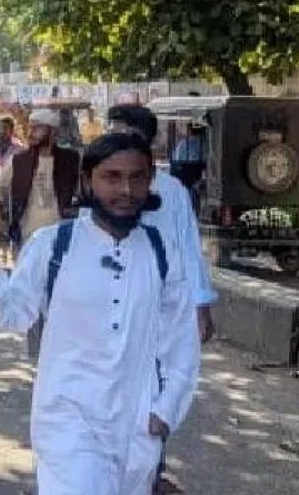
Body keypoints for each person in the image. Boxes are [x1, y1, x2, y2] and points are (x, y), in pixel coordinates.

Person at [0, 133, 201, 494]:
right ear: (87, 181)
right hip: (67, 419)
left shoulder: (161, 250)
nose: (126, 189)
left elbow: (181, 338)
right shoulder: (53, 245)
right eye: (112, 177)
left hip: (137, 423)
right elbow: (10, 316)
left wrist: (167, 408)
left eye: (137, 177)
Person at [107, 104, 218, 494]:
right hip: (113, 305)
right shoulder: (101, 185)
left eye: (123, 132)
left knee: (156, 389)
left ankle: (150, 471)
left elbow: (188, 247)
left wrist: (200, 304)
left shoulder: (170, 191)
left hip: (161, 307)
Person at [0, 108, 81, 359]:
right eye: (30, 127)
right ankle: (38, 356)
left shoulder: (71, 161)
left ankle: (59, 352)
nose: (32, 132)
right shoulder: (19, 161)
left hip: (64, 243)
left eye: (38, 127)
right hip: (28, 242)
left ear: (52, 131)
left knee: (61, 299)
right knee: (30, 300)